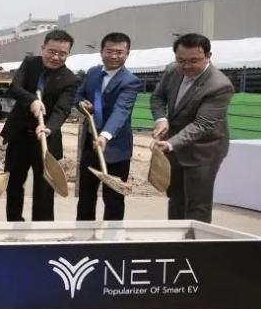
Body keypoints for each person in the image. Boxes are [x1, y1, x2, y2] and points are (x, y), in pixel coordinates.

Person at [151, 33, 234, 223]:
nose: (186, 66)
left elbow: (202, 124)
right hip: (174, 147)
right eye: (181, 60)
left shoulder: (219, 85)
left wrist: (170, 144)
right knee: (175, 198)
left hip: (203, 150)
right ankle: (176, 238)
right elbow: (157, 97)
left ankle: (197, 242)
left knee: (197, 204)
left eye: (193, 61)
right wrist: (161, 120)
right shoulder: (173, 70)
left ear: (208, 56)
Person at [1, 30, 78, 222]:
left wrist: (49, 127)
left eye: (62, 54)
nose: (56, 57)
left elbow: (62, 109)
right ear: (43, 48)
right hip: (19, 135)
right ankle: (14, 224)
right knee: (14, 184)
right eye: (52, 51)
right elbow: (15, 88)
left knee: (45, 188)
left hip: (46, 139)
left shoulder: (70, 79)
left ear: (68, 54)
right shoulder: (30, 64)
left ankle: (42, 228)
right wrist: (32, 101)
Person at [74, 32, 143, 221]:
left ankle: (112, 237)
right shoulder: (93, 73)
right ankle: (83, 234)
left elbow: (121, 111)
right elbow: (79, 96)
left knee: (113, 199)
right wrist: (81, 104)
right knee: (86, 197)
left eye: (119, 52)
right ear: (101, 51)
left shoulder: (130, 81)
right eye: (109, 51)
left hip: (116, 148)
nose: (114, 56)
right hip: (90, 144)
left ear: (127, 54)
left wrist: (105, 135)